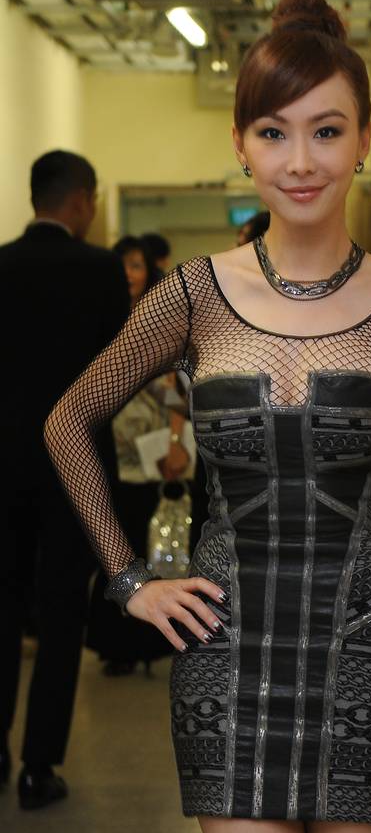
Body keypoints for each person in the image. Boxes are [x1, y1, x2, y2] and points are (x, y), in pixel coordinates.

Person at [43, 0, 371, 833]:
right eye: (274, 133)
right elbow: (69, 419)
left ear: (363, 139)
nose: (300, 160)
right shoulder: (190, 297)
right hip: (227, 653)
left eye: (326, 131)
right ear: (242, 145)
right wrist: (128, 580)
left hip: (370, 650)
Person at [0, 149, 130, 809]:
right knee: (61, 613)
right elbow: (117, 367)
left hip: (2, 467)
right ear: (80, 200)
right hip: (75, 468)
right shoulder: (100, 270)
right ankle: (38, 765)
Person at [86, 235, 192, 676]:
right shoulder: (97, 318)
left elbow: (174, 392)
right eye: (122, 264)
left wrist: (176, 442)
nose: (128, 273)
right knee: (115, 543)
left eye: (135, 264)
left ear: (148, 270)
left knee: (155, 544)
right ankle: (120, 646)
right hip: (108, 452)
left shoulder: (157, 319)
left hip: (152, 452)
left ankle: (155, 642)